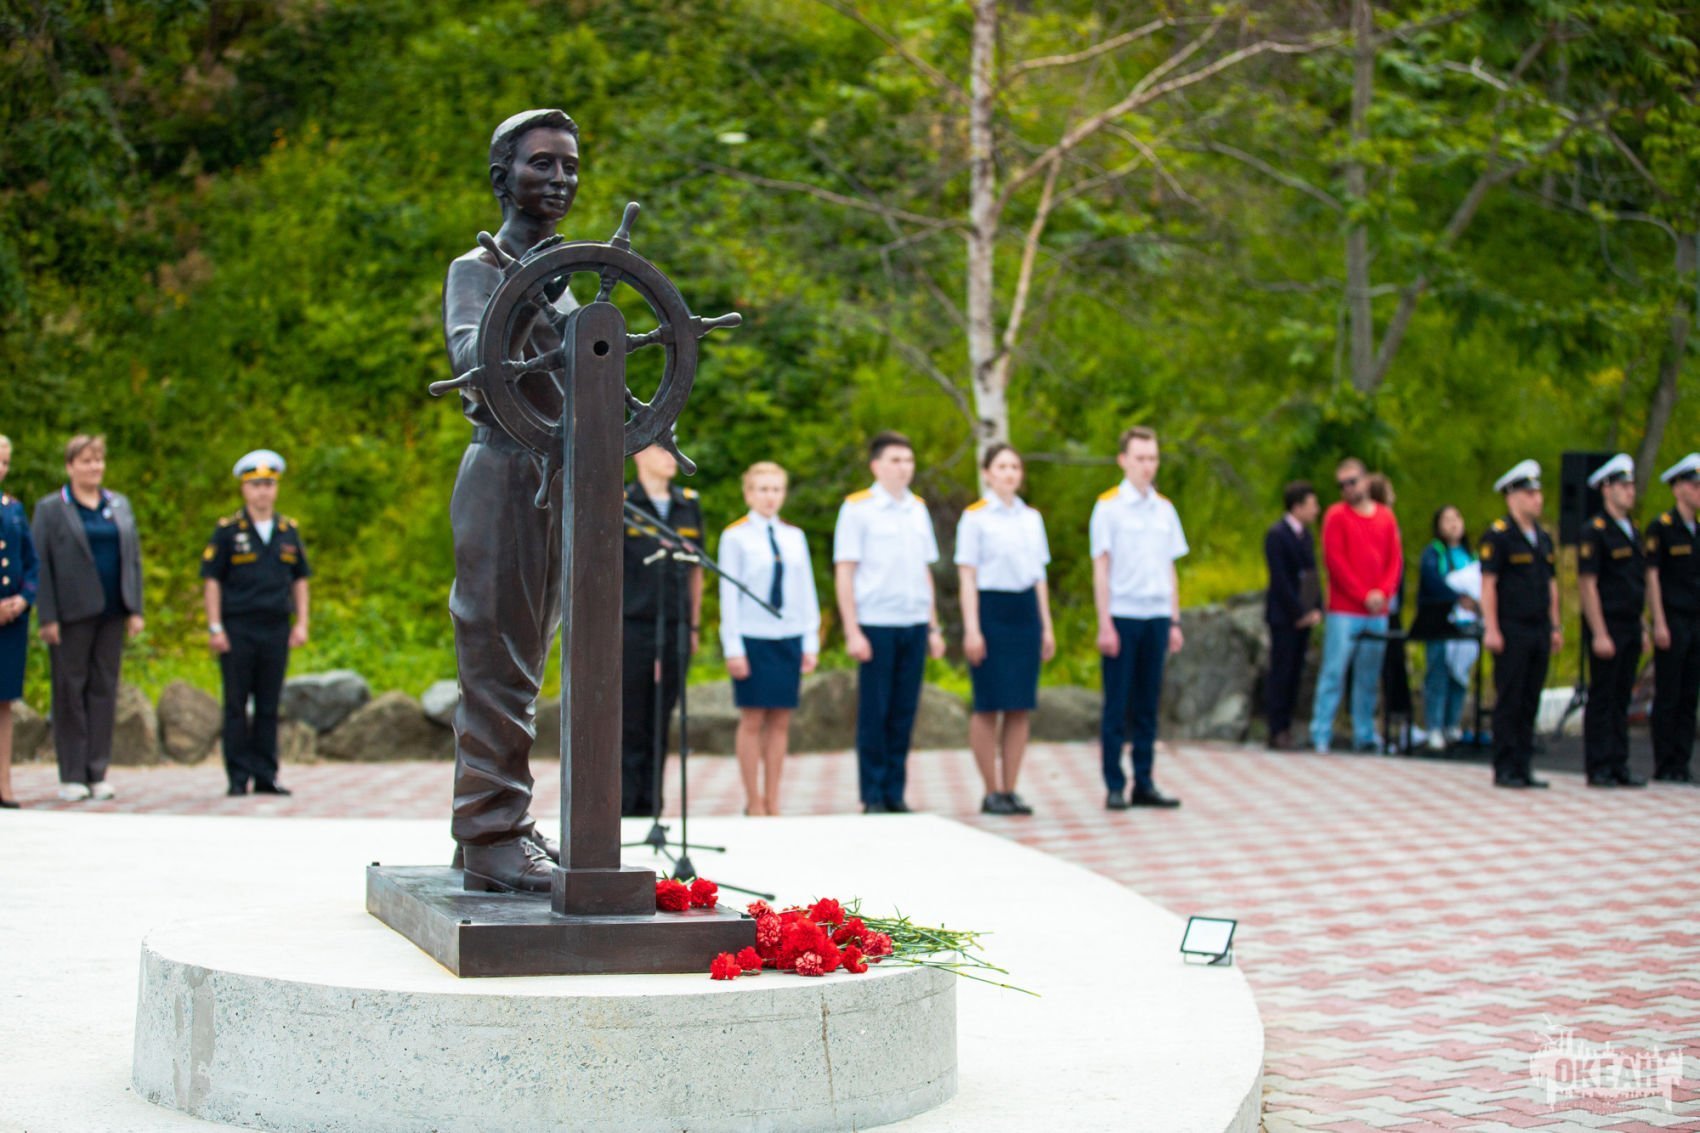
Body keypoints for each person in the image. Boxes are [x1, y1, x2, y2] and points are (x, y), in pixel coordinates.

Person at [440, 109, 580, 891]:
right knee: (495, 656)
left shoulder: (563, 277)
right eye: (542, 164)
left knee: (524, 661)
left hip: (553, 479)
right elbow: (473, 363)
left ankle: (493, 823)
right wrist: (529, 296)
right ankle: (491, 832)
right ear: (504, 177)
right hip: (500, 473)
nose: (559, 179)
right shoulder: (479, 269)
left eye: (569, 166)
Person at [834, 431, 945, 814]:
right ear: (876, 466)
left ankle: (896, 791)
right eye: (895, 460)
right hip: (876, 623)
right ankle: (873, 793)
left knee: (904, 711)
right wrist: (852, 630)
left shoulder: (917, 509)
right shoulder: (858, 509)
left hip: (913, 621)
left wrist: (933, 627)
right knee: (875, 712)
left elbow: (924, 572)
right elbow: (845, 571)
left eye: (908, 460)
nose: (904, 468)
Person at [31, 434, 144, 802]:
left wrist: (135, 607)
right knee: (69, 691)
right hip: (71, 614)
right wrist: (47, 616)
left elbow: (133, 558)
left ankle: (97, 771)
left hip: (112, 610)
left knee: (104, 689)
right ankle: (72, 773)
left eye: (98, 460)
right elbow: (40, 564)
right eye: (85, 461)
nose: (94, 467)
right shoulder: (52, 508)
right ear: (70, 466)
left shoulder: (118, 504)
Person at [202, 450, 311, 797]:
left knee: (268, 704)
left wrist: (301, 622)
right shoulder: (228, 532)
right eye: (256, 485)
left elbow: (300, 579)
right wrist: (215, 626)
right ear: (244, 489)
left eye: (268, 484)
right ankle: (237, 776)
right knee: (236, 704)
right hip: (238, 627)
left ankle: (266, 774)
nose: (263, 491)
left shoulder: (287, 531)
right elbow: (212, 580)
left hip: (275, 626)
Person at [956, 443, 1055, 815]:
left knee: (1019, 705)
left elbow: (1039, 576)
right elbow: (967, 576)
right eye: (1001, 466)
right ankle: (990, 790)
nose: (1009, 473)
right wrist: (972, 628)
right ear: (987, 473)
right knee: (988, 704)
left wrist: (1046, 626)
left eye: (1015, 466)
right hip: (991, 611)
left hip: (1024, 611)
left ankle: (1011, 788)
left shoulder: (1031, 518)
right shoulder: (975, 518)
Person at [1091, 426, 1187, 810]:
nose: (1147, 466)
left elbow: (1170, 567)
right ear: (1123, 460)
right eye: (1140, 458)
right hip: (1123, 614)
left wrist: (1174, 620)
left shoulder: (1164, 509)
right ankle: (1114, 783)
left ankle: (1144, 781)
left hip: (1156, 614)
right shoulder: (1109, 507)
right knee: (1117, 704)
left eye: (1153, 458)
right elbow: (1101, 568)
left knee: (1148, 703)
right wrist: (1105, 623)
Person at [717, 461, 819, 816]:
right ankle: (754, 801)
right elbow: (729, 596)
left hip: (788, 636)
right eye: (762, 489)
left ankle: (773, 800)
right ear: (748, 494)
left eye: (776, 489)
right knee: (752, 719)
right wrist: (733, 647)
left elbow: (805, 590)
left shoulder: (794, 536)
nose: (769, 496)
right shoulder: (735, 537)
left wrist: (810, 640)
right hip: (753, 637)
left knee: (781, 720)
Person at [621, 444, 703, 817]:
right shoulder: (624, 503)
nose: (672, 457)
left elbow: (696, 570)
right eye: (662, 450)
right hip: (632, 625)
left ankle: (652, 802)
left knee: (663, 714)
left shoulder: (688, 504)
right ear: (639, 455)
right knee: (630, 715)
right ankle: (625, 803)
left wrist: (693, 624)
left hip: (675, 625)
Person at [1308, 457, 1402, 753]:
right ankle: (1320, 732)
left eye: (1352, 481)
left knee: (1369, 676)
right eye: (1342, 485)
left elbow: (1394, 561)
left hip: (1377, 611)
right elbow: (1335, 561)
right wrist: (1363, 594)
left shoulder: (1386, 517)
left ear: (1365, 480)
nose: (1348, 488)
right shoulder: (1336, 516)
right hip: (1345, 610)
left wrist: (1382, 593)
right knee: (1334, 672)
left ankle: (1365, 734)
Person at [1479, 459, 1562, 789]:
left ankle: (1524, 765)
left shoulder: (1543, 538)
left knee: (1530, 699)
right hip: (1511, 627)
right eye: (1529, 493)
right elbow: (1488, 585)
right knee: (1510, 698)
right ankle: (1505, 766)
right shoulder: (1499, 536)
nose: (1537, 499)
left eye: (1538, 493)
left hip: (1539, 627)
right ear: (1512, 496)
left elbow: (1551, 585)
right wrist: (1492, 628)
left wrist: (1555, 626)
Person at [1577, 453, 1647, 789]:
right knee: (1603, 695)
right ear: (1606, 489)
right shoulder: (1595, 531)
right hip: (1608, 623)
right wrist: (1599, 632)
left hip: (1630, 622)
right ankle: (1598, 764)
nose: (1630, 491)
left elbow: (1637, 583)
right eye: (1623, 485)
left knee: (1622, 696)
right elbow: (1588, 584)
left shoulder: (1633, 531)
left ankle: (1618, 761)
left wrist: (1644, 625)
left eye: (1631, 485)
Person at [1645, 453, 1700, 783]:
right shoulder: (1662, 528)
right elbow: (1652, 577)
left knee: (1689, 694)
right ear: (1678, 488)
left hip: (1696, 618)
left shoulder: (1697, 530)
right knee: (1668, 692)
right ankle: (1664, 762)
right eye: (1695, 486)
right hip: (1673, 617)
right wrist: (1659, 621)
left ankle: (1681, 760)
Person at [1413, 505, 1477, 751]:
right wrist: (1458, 598)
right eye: (1447, 519)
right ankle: (1434, 726)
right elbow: (1433, 582)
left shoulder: (1469, 554)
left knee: (1459, 677)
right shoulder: (1434, 553)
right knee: (1438, 674)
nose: (1453, 524)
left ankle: (1452, 724)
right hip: (1440, 622)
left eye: (1457, 518)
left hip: (1466, 624)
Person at [1263, 481, 1322, 751]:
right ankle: (1276, 727)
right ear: (1297, 506)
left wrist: (1316, 607)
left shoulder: (1306, 536)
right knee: (1281, 670)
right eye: (1312, 504)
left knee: (1296, 672)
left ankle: (1287, 725)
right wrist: (1297, 611)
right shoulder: (1276, 535)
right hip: (1284, 616)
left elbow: (1312, 573)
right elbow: (1280, 579)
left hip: (1304, 615)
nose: (1316, 510)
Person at [0, 434, 39, 808]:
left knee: (4, 702)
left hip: (10, 622)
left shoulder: (13, 509)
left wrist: (23, 599)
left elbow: (31, 562)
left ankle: (4, 783)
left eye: (5, 462)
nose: (1, 468)